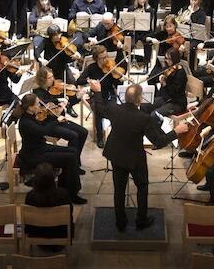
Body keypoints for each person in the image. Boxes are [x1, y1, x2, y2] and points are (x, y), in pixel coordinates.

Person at [103, 83, 188, 231]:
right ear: (139, 99)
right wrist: (176, 131)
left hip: (116, 155)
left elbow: (98, 108)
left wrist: (97, 92)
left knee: (119, 189)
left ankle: (120, 222)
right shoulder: (143, 118)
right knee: (142, 187)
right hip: (135, 158)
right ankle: (141, 220)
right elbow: (158, 141)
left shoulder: (114, 109)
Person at [19, 94, 87, 204]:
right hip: (34, 155)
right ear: (30, 107)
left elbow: (42, 127)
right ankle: (72, 193)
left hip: (40, 148)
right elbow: (43, 131)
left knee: (73, 151)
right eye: (37, 104)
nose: (40, 106)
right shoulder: (25, 122)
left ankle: (64, 188)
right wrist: (57, 121)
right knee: (70, 158)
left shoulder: (30, 115)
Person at [76, 45, 124, 148]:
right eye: (102, 58)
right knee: (98, 110)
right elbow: (79, 80)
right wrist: (89, 81)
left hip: (109, 94)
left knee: (114, 110)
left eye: (106, 56)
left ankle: (114, 135)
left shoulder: (110, 66)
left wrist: (117, 77)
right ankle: (100, 137)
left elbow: (116, 85)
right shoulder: (92, 68)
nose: (106, 59)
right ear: (96, 58)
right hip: (96, 95)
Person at [24, 162, 73, 246]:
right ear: (53, 178)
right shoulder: (63, 194)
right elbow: (70, 214)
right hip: (60, 236)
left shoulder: (30, 196)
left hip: (36, 236)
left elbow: (28, 222)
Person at [142, 47, 187, 118]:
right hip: (165, 98)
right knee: (144, 105)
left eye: (169, 59)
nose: (167, 61)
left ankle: (155, 128)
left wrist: (164, 84)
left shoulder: (180, 73)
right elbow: (154, 79)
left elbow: (174, 92)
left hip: (177, 103)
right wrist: (152, 77)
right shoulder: (167, 69)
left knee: (155, 115)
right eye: (166, 58)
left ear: (175, 59)